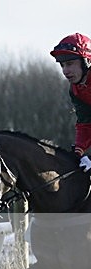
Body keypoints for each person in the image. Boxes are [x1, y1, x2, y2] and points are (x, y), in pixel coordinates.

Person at [51, 33, 91, 173]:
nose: (65, 71)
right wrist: (78, 150)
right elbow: (85, 123)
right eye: (62, 65)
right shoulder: (76, 90)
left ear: (86, 61)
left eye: (69, 64)